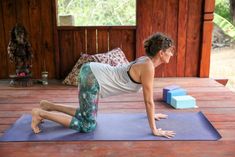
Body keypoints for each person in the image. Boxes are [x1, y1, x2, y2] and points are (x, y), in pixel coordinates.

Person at [31, 32, 176, 138]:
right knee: (88, 125)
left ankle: (48, 105)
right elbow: (149, 101)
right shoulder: (148, 67)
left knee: (85, 114)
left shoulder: (146, 61)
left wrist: (152, 115)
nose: (171, 54)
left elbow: (149, 101)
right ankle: (41, 113)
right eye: (170, 51)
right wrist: (154, 129)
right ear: (161, 53)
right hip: (92, 77)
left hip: (92, 71)